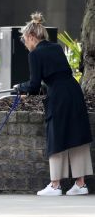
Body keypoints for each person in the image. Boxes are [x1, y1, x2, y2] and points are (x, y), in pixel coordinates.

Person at [13, 12, 93, 196]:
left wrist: (19, 87)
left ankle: (55, 185)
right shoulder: (56, 48)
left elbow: (33, 85)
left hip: (58, 96)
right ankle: (80, 185)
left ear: (32, 37)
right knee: (76, 134)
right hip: (74, 91)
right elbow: (55, 74)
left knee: (56, 134)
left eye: (25, 40)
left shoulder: (35, 54)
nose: (25, 45)